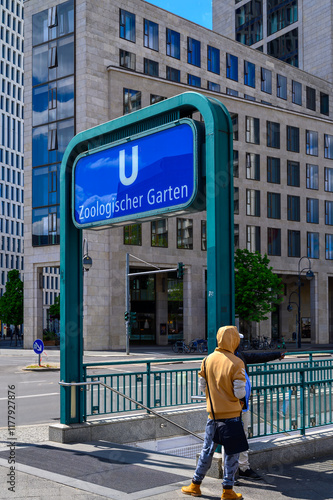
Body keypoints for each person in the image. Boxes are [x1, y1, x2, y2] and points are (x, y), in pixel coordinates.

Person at [181, 325, 247, 500]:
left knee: (207, 450)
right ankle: (227, 490)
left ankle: (195, 485)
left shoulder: (207, 360)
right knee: (232, 453)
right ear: (234, 340)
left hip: (213, 415)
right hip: (231, 417)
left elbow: (203, 387)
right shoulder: (237, 362)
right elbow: (239, 392)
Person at [235, 336, 286, 481]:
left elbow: (255, 357)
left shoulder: (239, 354)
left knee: (242, 434)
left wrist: (276, 355)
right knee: (229, 436)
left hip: (242, 403)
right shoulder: (225, 357)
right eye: (237, 339)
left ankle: (243, 467)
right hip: (232, 404)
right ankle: (230, 473)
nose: (239, 342)